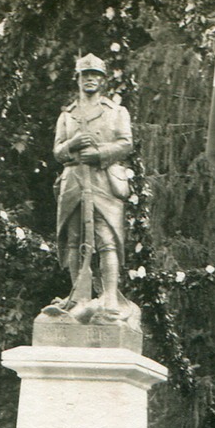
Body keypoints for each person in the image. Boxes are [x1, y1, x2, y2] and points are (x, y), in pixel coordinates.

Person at [45, 53, 135, 324]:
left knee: (107, 240)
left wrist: (99, 153)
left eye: (96, 75)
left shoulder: (116, 112)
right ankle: (79, 297)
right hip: (73, 182)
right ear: (78, 79)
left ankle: (109, 297)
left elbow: (126, 143)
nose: (90, 79)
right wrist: (72, 144)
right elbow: (58, 151)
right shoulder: (67, 116)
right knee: (73, 240)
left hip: (104, 181)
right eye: (85, 75)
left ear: (103, 80)